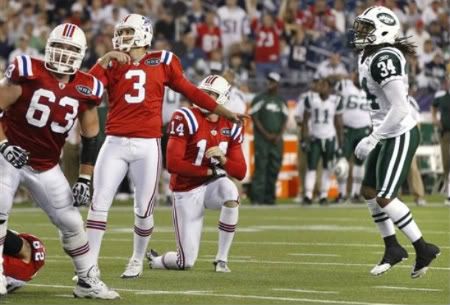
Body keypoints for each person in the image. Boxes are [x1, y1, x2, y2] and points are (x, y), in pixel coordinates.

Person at [86, 14, 245, 279]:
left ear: (143, 35)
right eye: (121, 32)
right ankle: (88, 266)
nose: (122, 38)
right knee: (98, 204)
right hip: (114, 141)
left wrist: (222, 110)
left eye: (128, 32)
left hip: (147, 144)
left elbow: (191, 91)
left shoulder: (163, 61)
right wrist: (102, 62)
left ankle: (137, 259)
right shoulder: (112, 62)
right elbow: (87, 91)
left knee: (143, 208)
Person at [0, 23, 118, 298]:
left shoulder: (87, 86)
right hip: (10, 156)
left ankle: (87, 281)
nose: (64, 53)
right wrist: (4, 145)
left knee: (73, 223)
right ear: (48, 47)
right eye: (60, 46)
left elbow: (90, 136)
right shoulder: (28, 72)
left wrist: (85, 178)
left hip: (46, 164)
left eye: (71, 49)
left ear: (82, 54)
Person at [351, 6, 440, 278]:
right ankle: (392, 248)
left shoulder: (384, 58)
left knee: (385, 197)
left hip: (399, 132)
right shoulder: (368, 55)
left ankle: (423, 248)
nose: (360, 33)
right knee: (368, 191)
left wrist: (373, 136)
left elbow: (400, 107)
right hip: (384, 131)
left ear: (383, 31)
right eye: (361, 27)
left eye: (367, 28)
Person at [148, 75, 246, 272]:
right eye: (203, 93)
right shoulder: (185, 117)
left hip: (211, 186)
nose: (205, 98)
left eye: (211, 94)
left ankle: (222, 259)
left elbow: (241, 172)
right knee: (185, 262)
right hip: (186, 189)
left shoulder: (230, 124)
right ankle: (156, 261)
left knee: (230, 191)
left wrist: (224, 160)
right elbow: (173, 164)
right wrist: (210, 169)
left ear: (222, 99)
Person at [301, 77, 344, 204]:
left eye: (324, 85)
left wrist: (340, 144)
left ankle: (324, 195)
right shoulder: (311, 99)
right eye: (320, 85)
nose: (320, 87)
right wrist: (304, 139)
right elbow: (305, 121)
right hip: (315, 138)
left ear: (330, 88)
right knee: (312, 167)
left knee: (327, 168)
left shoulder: (336, 100)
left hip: (330, 138)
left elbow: (339, 123)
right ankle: (308, 195)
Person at [249, 72, 288, 205]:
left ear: (277, 84)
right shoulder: (259, 98)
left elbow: (285, 119)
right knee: (261, 167)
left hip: (276, 141)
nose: (270, 84)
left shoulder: (281, 101)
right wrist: (265, 134)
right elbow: (254, 117)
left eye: (273, 82)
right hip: (262, 139)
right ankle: (257, 198)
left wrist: (278, 135)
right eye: (269, 81)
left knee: (274, 168)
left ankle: (270, 197)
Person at [334, 71, 371, 203]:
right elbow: (330, 84)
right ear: (354, 76)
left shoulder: (370, 89)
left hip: (364, 130)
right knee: (342, 162)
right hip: (347, 129)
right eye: (358, 76)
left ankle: (356, 193)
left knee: (360, 164)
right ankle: (342, 194)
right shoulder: (344, 85)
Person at [431, 76, 450, 205]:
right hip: (445, 135)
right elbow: (433, 107)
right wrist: (435, 119)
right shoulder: (442, 98)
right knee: (447, 164)